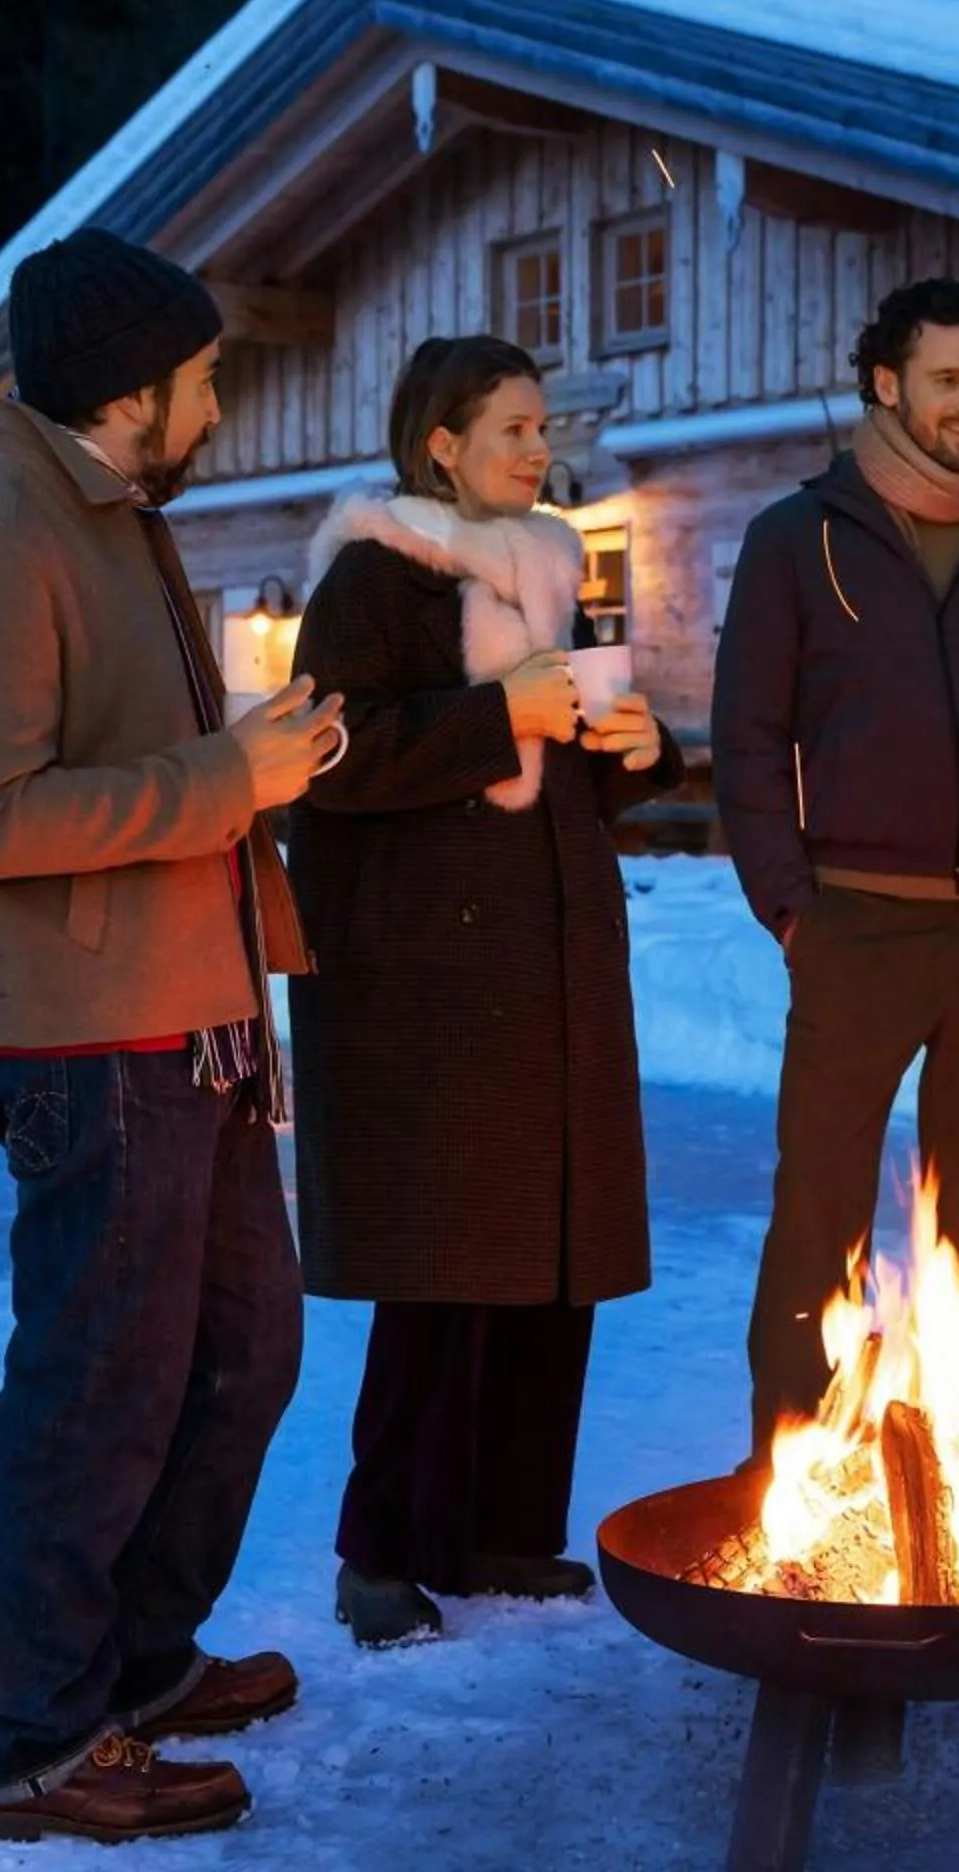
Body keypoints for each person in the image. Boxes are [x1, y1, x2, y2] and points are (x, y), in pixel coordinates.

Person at [0, 228, 342, 1843]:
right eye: (203, 377)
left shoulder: (112, 519)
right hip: (91, 1038)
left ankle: (135, 1665)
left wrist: (251, 760)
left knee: (241, 1354)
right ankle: (28, 1740)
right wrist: (228, 780)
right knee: (98, 1385)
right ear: (131, 389)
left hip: (191, 1012)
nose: (216, 403)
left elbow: (135, 760)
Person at [285, 336, 683, 1649]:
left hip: (548, 963)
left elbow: (555, 771)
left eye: (542, 425)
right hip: (432, 986)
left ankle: (504, 1530)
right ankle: (380, 1552)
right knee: (444, 1266)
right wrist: (496, 711)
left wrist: (633, 752)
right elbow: (329, 756)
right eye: (513, 427)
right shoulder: (373, 577)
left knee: (547, 1258)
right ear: (440, 444)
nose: (539, 447)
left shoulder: (543, 568)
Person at [713, 277, 959, 1456]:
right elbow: (747, 739)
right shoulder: (798, 539)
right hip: (858, 923)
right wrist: (794, 909)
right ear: (886, 385)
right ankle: (791, 1468)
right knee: (818, 1221)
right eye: (948, 379)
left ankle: (956, 1466)